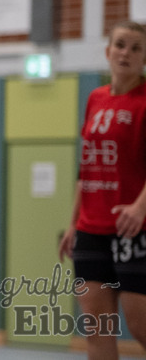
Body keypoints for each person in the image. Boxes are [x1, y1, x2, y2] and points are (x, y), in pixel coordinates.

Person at [59, 20, 146, 359]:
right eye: (120, 45)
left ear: (143, 59)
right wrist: (73, 224)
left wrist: (139, 207)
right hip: (91, 230)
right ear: (108, 51)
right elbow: (87, 167)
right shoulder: (95, 98)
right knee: (97, 329)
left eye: (136, 48)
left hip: (133, 229)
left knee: (139, 325)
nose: (126, 53)